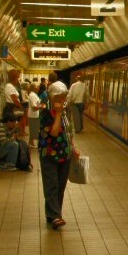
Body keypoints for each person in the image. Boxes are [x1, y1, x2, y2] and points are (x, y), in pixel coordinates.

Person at [38, 81, 78, 230]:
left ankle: (54, 214)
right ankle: (55, 216)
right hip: (49, 153)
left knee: (60, 186)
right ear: (52, 97)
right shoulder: (45, 112)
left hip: (65, 153)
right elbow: (53, 132)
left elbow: (68, 131)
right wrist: (59, 114)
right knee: (51, 185)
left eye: (64, 97)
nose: (62, 101)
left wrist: (73, 148)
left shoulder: (66, 111)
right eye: (59, 98)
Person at [27, 81, 44, 148]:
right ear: (34, 87)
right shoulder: (32, 95)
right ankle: (31, 143)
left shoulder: (33, 94)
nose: (39, 88)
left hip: (34, 115)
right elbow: (34, 107)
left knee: (33, 129)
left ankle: (31, 143)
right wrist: (41, 106)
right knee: (34, 130)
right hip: (33, 115)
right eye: (38, 86)